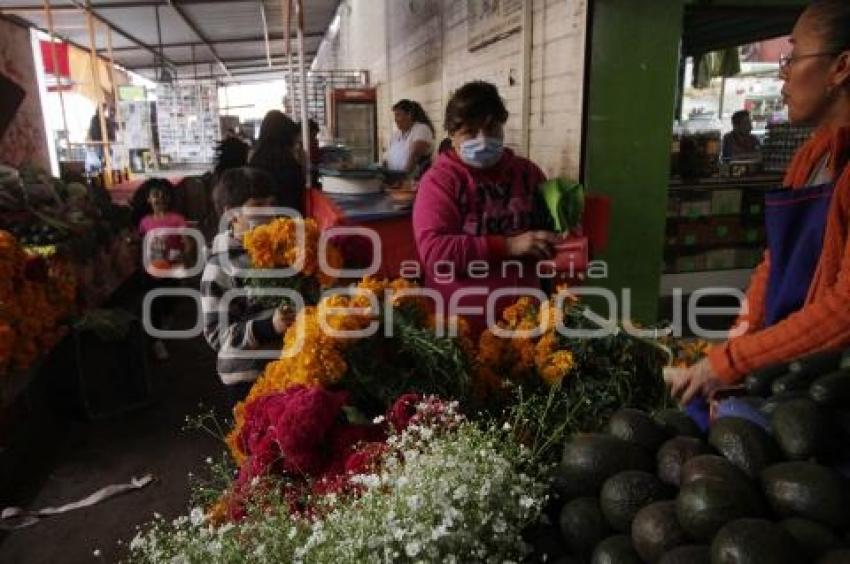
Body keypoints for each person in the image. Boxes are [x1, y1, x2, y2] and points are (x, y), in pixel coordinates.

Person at [669, 0, 850, 404]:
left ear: (840, 67)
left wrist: (733, 361)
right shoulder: (808, 157)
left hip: (829, 391)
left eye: (794, 56)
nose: (782, 72)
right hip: (782, 372)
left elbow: (844, 311)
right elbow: (775, 264)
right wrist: (733, 349)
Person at [412, 81, 557, 336]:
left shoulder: (528, 173)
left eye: (491, 128)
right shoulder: (440, 181)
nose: (482, 139)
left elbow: (548, 231)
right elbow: (435, 252)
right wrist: (509, 245)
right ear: (452, 136)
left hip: (525, 322)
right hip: (461, 328)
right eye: (470, 131)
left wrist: (566, 230)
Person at [201, 167, 295, 404]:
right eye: (259, 205)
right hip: (246, 378)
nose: (270, 212)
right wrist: (268, 326)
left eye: (271, 203)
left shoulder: (276, 251)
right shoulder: (220, 267)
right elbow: (217, 335)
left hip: (284, 366)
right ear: (231, 214)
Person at [137, 178, 186, 361]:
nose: (160, 198)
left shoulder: (177, 219)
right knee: (154, 304)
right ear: (148, 199)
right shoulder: (144, 222)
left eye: (164, 195)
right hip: (152, 270)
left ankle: (162, 331)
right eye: (155, 195)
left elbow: (186, 243)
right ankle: (156, 342)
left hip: (172, 270)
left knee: (169, 305)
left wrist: (181, 254)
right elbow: (140, 243)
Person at [248, 110, 306, 215]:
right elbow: (298, 189)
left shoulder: (255, 157)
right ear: (285, 137)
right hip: (288, 220)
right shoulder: (287, 161)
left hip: (263, 220)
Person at [385, 99, 435, 177]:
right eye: (395, 115)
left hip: (413, 179)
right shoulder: (396, 135)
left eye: (398, 115)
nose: (395, 120)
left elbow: (415, 156)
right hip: (394, 179)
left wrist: (403, 177)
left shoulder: (421, 129)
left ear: (409, 115)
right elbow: (388, 158)